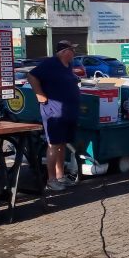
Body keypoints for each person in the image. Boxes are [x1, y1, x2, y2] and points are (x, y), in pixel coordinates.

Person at [28, 40, 82, 191]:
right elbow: (31, 76)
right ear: (64, 51)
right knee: (54, 144)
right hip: (54, 110)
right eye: (72, 50)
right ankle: (51, 180)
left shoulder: (68, 65)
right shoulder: (50, 63)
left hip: (68, 111)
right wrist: (40, 95)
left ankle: (60, 176)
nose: (74, 53)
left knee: (63, 144)